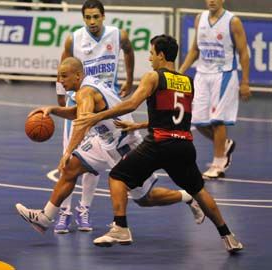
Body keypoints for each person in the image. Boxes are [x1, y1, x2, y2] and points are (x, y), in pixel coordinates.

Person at [74, 35, 243, 253]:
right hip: (183, 146)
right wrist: (138, 126)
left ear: (161, 55)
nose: (150, 58)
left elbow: (131, 104)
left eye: (152, 53)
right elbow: (175, 116)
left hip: (159, 144)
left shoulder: (152, 77)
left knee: (117, 177)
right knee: (199, 191)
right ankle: (228, 237)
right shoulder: (187, 81)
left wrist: (97, 117)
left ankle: (120, 227)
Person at [15, 57, 205, 235]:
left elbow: (82, 123)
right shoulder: (88, 86)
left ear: (78, 76)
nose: (60, 80)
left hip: (124, 145)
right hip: (105, 141)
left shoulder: (85, 92)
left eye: (64, 76)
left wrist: (68, 151)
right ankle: (45, 217)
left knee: (145, 199)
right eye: (58, 76)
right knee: (71, 168)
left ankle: (187, 196)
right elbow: (79, 113)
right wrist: (53, 109)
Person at [54, 0, 135, 233]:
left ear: (103, 16)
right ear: (83, 18)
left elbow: (129, 51)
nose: (92, 22)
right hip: (79, 104)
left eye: (96, 17)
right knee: (68, 159)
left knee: (93, 163)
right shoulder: (74, 38)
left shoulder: (117, 35)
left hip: (104, 108)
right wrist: (61, 93)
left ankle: (84, 209)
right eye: (88, 17)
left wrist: (129, 80)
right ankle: (64, 212)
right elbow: (63, 65)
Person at [179, 0, 251, 179]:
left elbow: (243, 52)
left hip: (224, 74)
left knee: (217, 120)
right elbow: (195, 50)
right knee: (198, 120)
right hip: (202, 75)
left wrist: (245, 82)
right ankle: (224, 144)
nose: (211, 0)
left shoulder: (233, 21)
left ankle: (218, 163)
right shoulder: (199, 19)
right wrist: (180, 72)